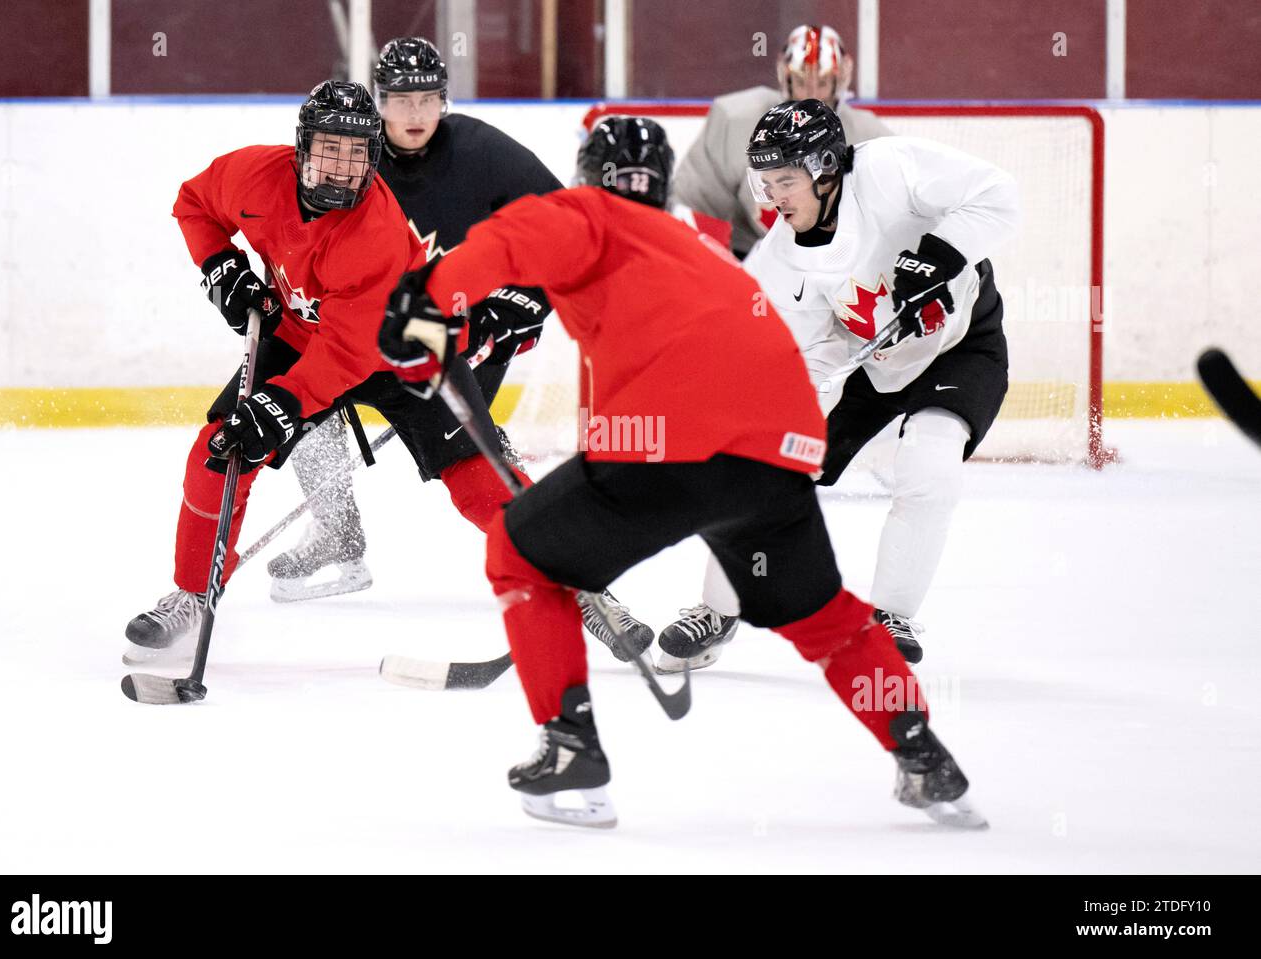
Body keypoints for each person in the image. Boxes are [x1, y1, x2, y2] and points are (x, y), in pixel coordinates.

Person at [377, 116, 985, 831]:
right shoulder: (694, 243)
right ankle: (923, 755)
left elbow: (512, 240)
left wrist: (424, 301)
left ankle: (571, 748)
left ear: (585, 176)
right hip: (776, 447)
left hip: (666, 441)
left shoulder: (585, 212)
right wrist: (459, 325)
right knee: (827, 619)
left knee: (517, 554)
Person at [267, 38, 651, 657]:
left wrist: (525, 303)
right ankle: (335, 529)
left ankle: (578, 588)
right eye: (398, 100)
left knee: (481, 467)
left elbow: (571, 226)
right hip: (353, 336)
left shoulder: (482, 152)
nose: (414, 113)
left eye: (426, 98)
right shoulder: (349, 157)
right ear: (378, 103)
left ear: (444, 100)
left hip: (460, 342)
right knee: (304, 411)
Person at [660, 99, 1019, 672]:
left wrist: (938, 256)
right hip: (869, 366)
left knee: (930, 469)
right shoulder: (777, 260)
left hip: (961, 348)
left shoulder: (890, 170)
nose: (773, 196)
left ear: (827, 168)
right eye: (766, 180)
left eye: (786, 180)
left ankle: (891, 618)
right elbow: (787, 361)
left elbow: (1000, 195)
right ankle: (717, 609)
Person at [121, 80, 426, 663]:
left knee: (471, 469)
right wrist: (221, 269)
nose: (340, 168)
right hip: (299, 333)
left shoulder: (377, 236)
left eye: (356, 153)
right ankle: (192, 592)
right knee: (219, 448)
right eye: (328, 150)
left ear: (374, 160)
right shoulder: (255, 176)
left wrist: (285, 404)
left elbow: (348, 352)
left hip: (394, 346)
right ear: (301, 149)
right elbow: (194, 203)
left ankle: (570, 579)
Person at [673, 23, 892, 259]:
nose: (811, 95)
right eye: (800, 82)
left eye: (822, 83)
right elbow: (694, 209)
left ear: (838, 84)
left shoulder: (870, 137)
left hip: (837, 269)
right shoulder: (736, 119)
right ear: (785, 80)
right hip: (751, 263)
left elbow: (894, 217)